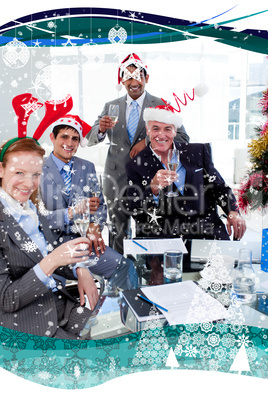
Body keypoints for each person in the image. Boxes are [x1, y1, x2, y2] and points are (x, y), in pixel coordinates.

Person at [86, 53, 190, 254]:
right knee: (118, 231)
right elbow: (90, 138)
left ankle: (148, 273)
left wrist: (148, 141)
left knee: (148, 229)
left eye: (139, 76)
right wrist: (100, 129)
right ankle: (121, 272)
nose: (134, 82)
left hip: (149, 180)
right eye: (128, 77)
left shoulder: (161, 103)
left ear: (147, 78)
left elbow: (183, 138)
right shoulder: (111, 106)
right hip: (116, 178)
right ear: (122, 80)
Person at [0, 137, 97, 339]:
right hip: (28, 324)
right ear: (1, 170)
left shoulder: (31, 208)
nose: (29, 183)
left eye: (36, 174)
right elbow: (7, 299)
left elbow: (44, 253)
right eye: (19, 173)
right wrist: (53, 261)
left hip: (58, 305)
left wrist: (79, 268)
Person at [125, 104, 246, 240]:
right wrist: (152, 189)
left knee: (228, 260)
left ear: (175, 131)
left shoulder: (197, 152)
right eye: (155, 128)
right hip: (166, 235)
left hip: (207, 230)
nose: (161, 135)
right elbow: (135, 210)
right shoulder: (135, 165)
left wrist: (233, 211)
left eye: (167, 129)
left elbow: (219, 187)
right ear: (147, 130)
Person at [39, 114, 124, 306]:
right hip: (49, 246)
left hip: (86, 244)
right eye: (64, 137)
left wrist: (95, 226)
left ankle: (110, 316)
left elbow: (100, 205)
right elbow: (38, 219)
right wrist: (72, 212)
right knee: (50, 297)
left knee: (123, 266)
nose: (69, 143)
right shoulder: (38, 168)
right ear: (53, 138)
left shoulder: (86, 167)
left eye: (75, 138)